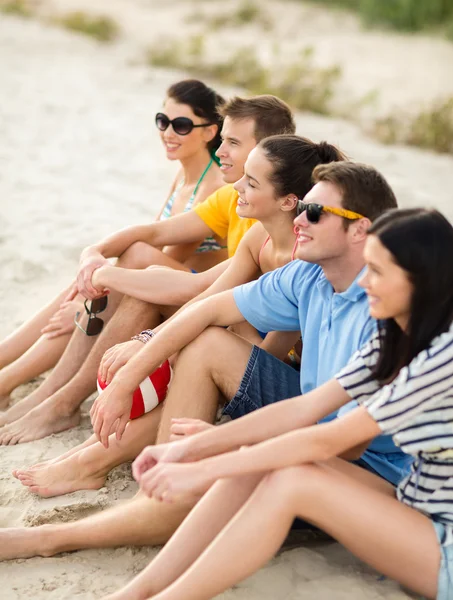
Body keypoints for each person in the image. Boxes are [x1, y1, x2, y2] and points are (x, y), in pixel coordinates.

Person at [0, 161, 406, 559]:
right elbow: (208, 309)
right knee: (208, 341)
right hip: (315, 416)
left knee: (231, 467)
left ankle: (53, 537)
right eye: (302, 209)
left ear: (360, 229)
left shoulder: (388, 310)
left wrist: (222, 445)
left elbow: (346, 444)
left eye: (314, 213)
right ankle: (155, 493)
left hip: (371, 470)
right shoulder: (309, 275)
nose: (300, 220)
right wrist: (127, 381)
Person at [101, 207, 453, 600]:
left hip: (442, 543)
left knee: (289, 479)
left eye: (378, 272)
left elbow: (330, 439)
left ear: (420, 282)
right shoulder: (395, 336)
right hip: (415, 506)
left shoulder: (441, 359)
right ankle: (139, 591)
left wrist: (204, 470)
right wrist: (192, 447)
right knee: (263, 458)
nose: (364, 281)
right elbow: (303, 410)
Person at [14, 134, 347, 497]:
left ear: (288, 201)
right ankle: (86, 449)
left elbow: (265, 359)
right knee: (184, 333)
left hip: (297, 382)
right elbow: (207, 298)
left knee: (199, 354)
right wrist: (148, 345)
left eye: (251, 182)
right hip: (249, 350)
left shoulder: (306, 259)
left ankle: (91, 460)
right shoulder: (258, 241)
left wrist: (170, 357)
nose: (236, 185)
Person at [0, 94, 296, 443]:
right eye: (163, 121)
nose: (221, 151)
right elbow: (156, 234)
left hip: (249, 339)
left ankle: (55, 400)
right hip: (221, 312)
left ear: (266, 151)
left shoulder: (276, 217)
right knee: (129, 271)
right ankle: (46, 396)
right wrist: (92, 254)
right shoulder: (236, 197)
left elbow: (201, 289)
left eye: (232, 142)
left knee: (134, 277)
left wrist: (106, 279)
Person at [0, 78, 226, 412]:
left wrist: (89, 304)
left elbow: (155, 262)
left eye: (180, 125)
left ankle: (10, 382)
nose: (168, 133)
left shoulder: (214, 184)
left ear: (210, 131)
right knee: (85, 289)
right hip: (162, 281)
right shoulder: (184, 174)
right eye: (162, 122)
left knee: (97, 293)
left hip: (191, 297)